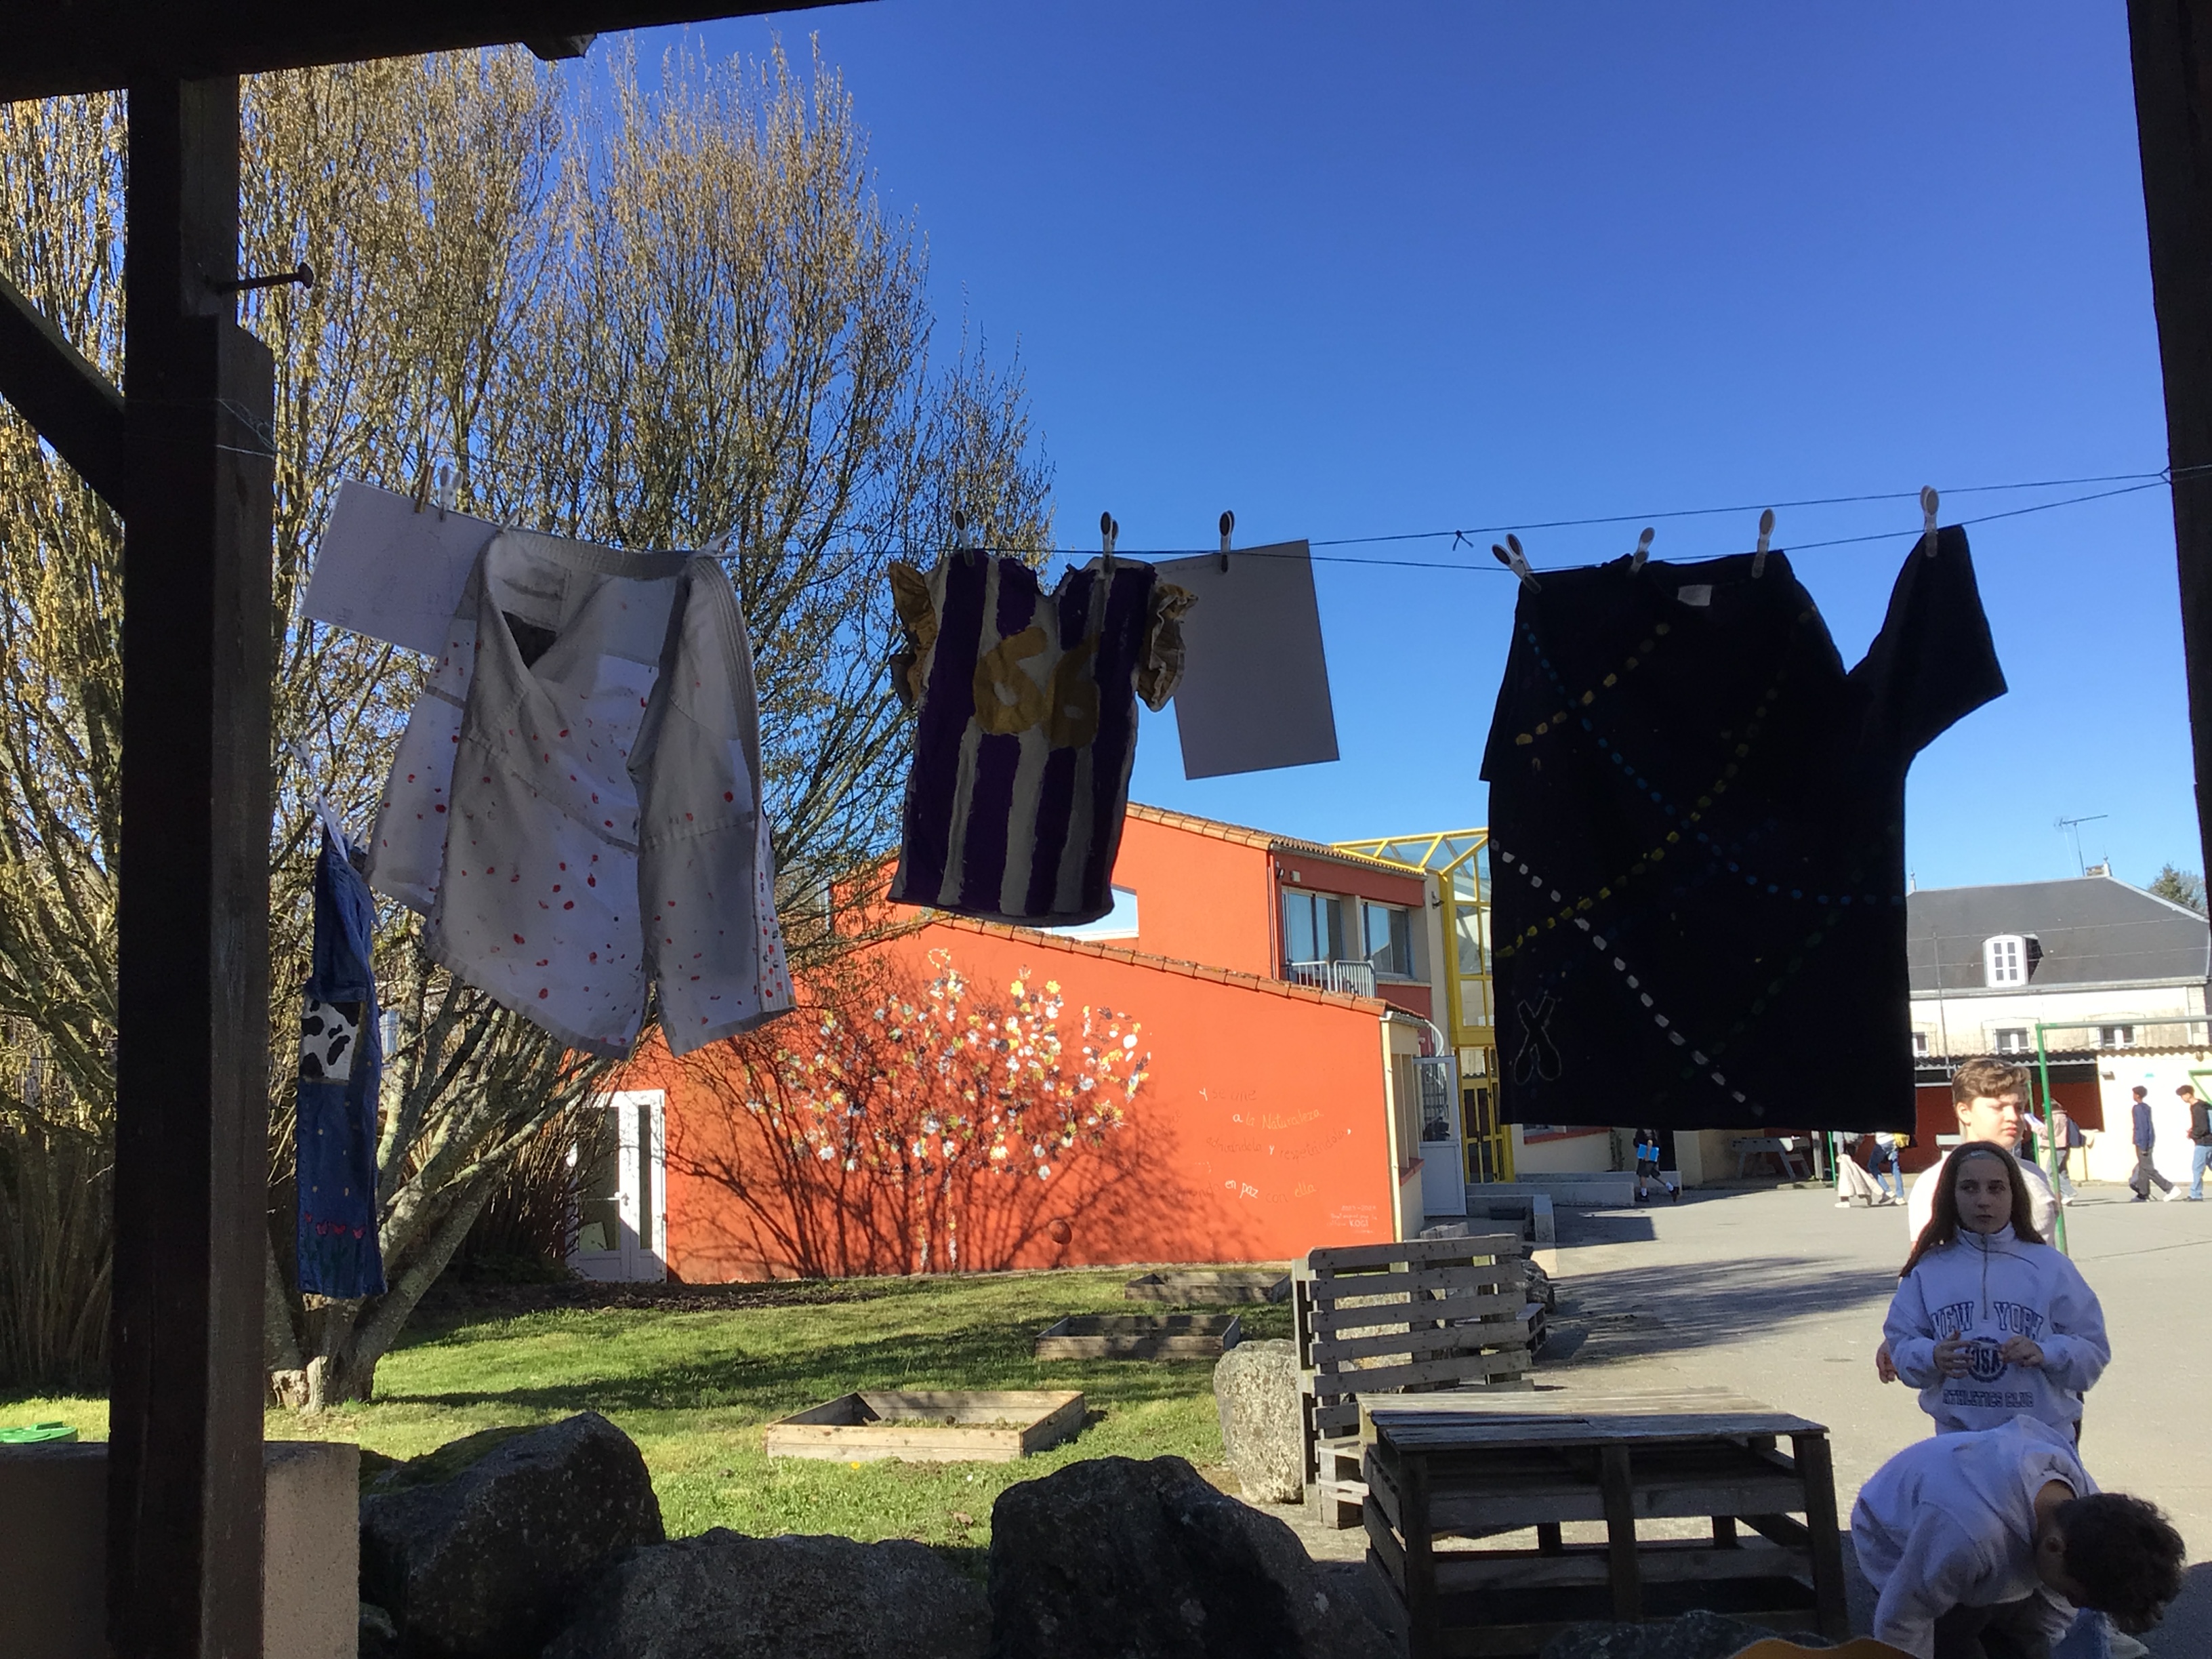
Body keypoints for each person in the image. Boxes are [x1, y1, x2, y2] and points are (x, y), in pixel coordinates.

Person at [1851, 1415, 2184, 1659]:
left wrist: (2041, 1641)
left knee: (2024, 1638)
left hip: (1985, 1535)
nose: (2073, 1604)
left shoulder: (2080, 1506)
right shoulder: (1968, 1538)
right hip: (1893, 1530)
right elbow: (1903, 1619)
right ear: (2055, 1546)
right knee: (1953, 1635)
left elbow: (2054, 1615)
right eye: (2072, 1594)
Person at [1883, 1141, 2108, 1438]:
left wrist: (2046, 1352)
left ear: (2015, 1195)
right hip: (1957, 1440)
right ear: (1950, 1196)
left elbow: (2093, 1351)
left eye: (1996, 1188)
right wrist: (1932, 1355)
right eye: (1969, 1188)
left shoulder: (2051, 1267)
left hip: (2041, 1439)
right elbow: (1900, 1344)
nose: (1983, 1200)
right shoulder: (1928, 1270)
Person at [1878, 1059, 2056, 1385]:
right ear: (1964, 1112)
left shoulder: (2035, 1176)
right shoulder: (1939, 1182)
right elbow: (1922, 1264)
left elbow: (2055, 1263)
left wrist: (2065, 1342)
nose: (2013, 1117)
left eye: (2019, 1107)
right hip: (1970, 1352)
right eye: (1998, 1107)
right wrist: (1900, 1337)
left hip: (2039, 1342)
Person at [2125, 1086, 2179, 1203]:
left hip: (2142, 1142)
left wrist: (2143, 1145)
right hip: (2146, 1142)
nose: (2133, 1096)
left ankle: (2170, 1188)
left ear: (2137, 1095)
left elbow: (2142, 1127)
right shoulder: (2146, 1108)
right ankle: (2143, 1194)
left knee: (2148, 1169)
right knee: (2143, 1169)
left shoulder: (2138, 1109)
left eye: (2134, 1094)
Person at [1632, 1126, 1677, 1203]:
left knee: (1642, 1175)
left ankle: (1644, 1195)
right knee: (1656, 1175)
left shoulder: (1645, 1129)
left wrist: (1647, 1155)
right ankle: (1672, 1189)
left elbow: (1650, 1140)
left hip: (1648, 1156)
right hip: (1652, 1155)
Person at [2185, 1083, 2211, 1202]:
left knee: (2197, 1169)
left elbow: (2202, 1128)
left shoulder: (2196, 1108)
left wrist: (2192, 1134)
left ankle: (2196, 1194)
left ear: (2188, 1095)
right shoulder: (2205, 1106)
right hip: (2210, 1141)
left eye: (2182, 1095)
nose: (2182, 1098)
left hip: (2203, 1143)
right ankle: (2196, 1193)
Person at [1871, 1128, 1906, 1202]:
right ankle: (1900, 1197)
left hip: (1882, 1142)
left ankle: (1887, 1191)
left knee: (1872, 1166)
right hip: (1894, 1142)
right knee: (1895, 1169)